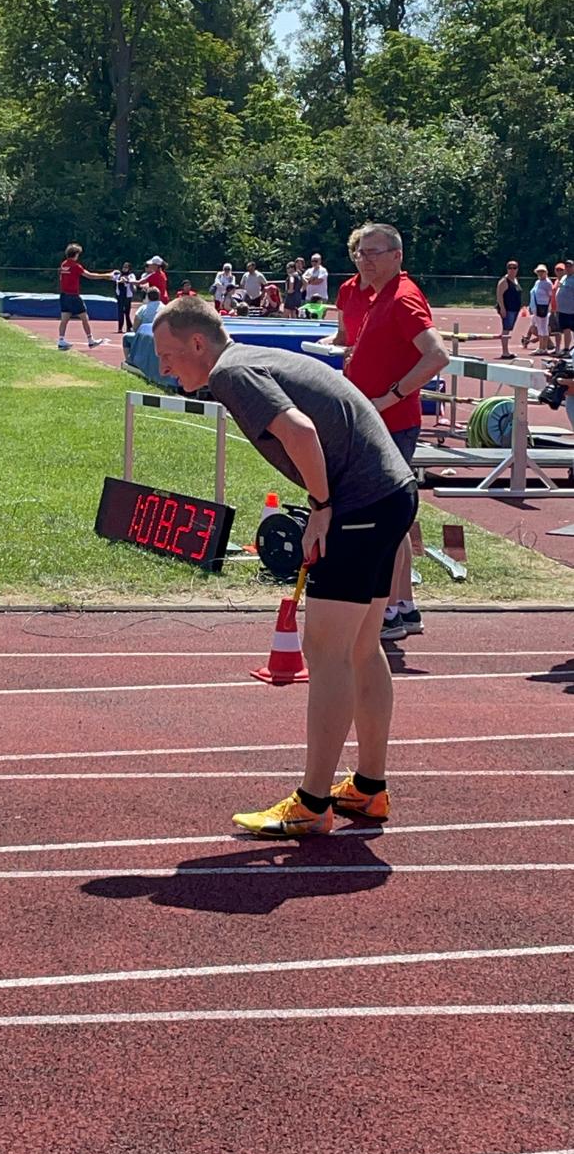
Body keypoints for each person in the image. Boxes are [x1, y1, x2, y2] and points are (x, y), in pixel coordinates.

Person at [153, 295, 418, 837]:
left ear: (198, 343)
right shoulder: (250, 360)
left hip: (360, 503)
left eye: (167, 354)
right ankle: (368, 790)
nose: (163, 367)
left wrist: (320, 509)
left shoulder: (233, 372)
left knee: (326, 651)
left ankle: (312, 802)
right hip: (388, 493)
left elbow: (299, 432)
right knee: (361, 649)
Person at [343, 223, 449, 642]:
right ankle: (401, 606)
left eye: (373, 253)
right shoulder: (376, 294)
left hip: (391, 423)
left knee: (383, 517)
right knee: (394, 519)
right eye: (360, 254)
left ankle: (389, 607)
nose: (364, 260)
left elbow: (437, 355)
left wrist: (390, 397)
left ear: (396, 256)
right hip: (379, 422)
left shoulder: (403, 298)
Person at [320, 230, 375, 356]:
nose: (364, 260)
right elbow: (342, 335)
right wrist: (325, 343)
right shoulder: (346, 288)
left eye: (370, 254)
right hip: (351, 368)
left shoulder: (391, 290)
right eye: (360, 254)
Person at [57, 243, 110, 350]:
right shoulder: (75, 266)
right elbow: (89, 275)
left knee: (64, 319)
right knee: (84, 318)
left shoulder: (64, 264)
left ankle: (61, 340)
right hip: (73, 296)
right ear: (76, 254)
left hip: (64, 295)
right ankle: (90, 340)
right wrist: (106, 276)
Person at [495, 260, 522, 359]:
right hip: (508, 309)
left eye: (514, 268)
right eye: (510, 268)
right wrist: (502, 308)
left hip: (514, 308)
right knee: (506, 330)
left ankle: (506, 351)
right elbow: (499, 296)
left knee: (509, 329)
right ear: (507, 269)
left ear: (517, 269)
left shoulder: (515, 280)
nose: (512, 270)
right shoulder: (504, 281)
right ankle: (505, 352)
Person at [528, 265, 553, 355]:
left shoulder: (547, 283)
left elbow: (551, 296)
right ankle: (541, 347)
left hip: (543, 307)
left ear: (546, 272)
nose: (540, 273)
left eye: (542, 271)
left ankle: (543, 347)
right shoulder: (537, 282)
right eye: (539, 271)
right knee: (539, 327)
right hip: (536, 308)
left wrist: (548, 307)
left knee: (543, 327)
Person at [112, 261, 137, 333]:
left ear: (129, 268)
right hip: (120, 295)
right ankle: (120, 328)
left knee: (127, 312)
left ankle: (129, 327)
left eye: (126, 267)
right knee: (120, 312)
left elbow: (132, 280)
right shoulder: (118, 275)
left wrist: (126, 280)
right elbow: (113, 278)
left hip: (128, 296)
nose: (124, 269)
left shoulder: (131, 275)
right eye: (123, 267)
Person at [556, 258, 574, 354]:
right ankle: (566, 349)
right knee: (566, 329)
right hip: (562, 310)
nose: (568, 268)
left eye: (570, 266)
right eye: (566, 266)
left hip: (572, 309)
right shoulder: (564, 277)